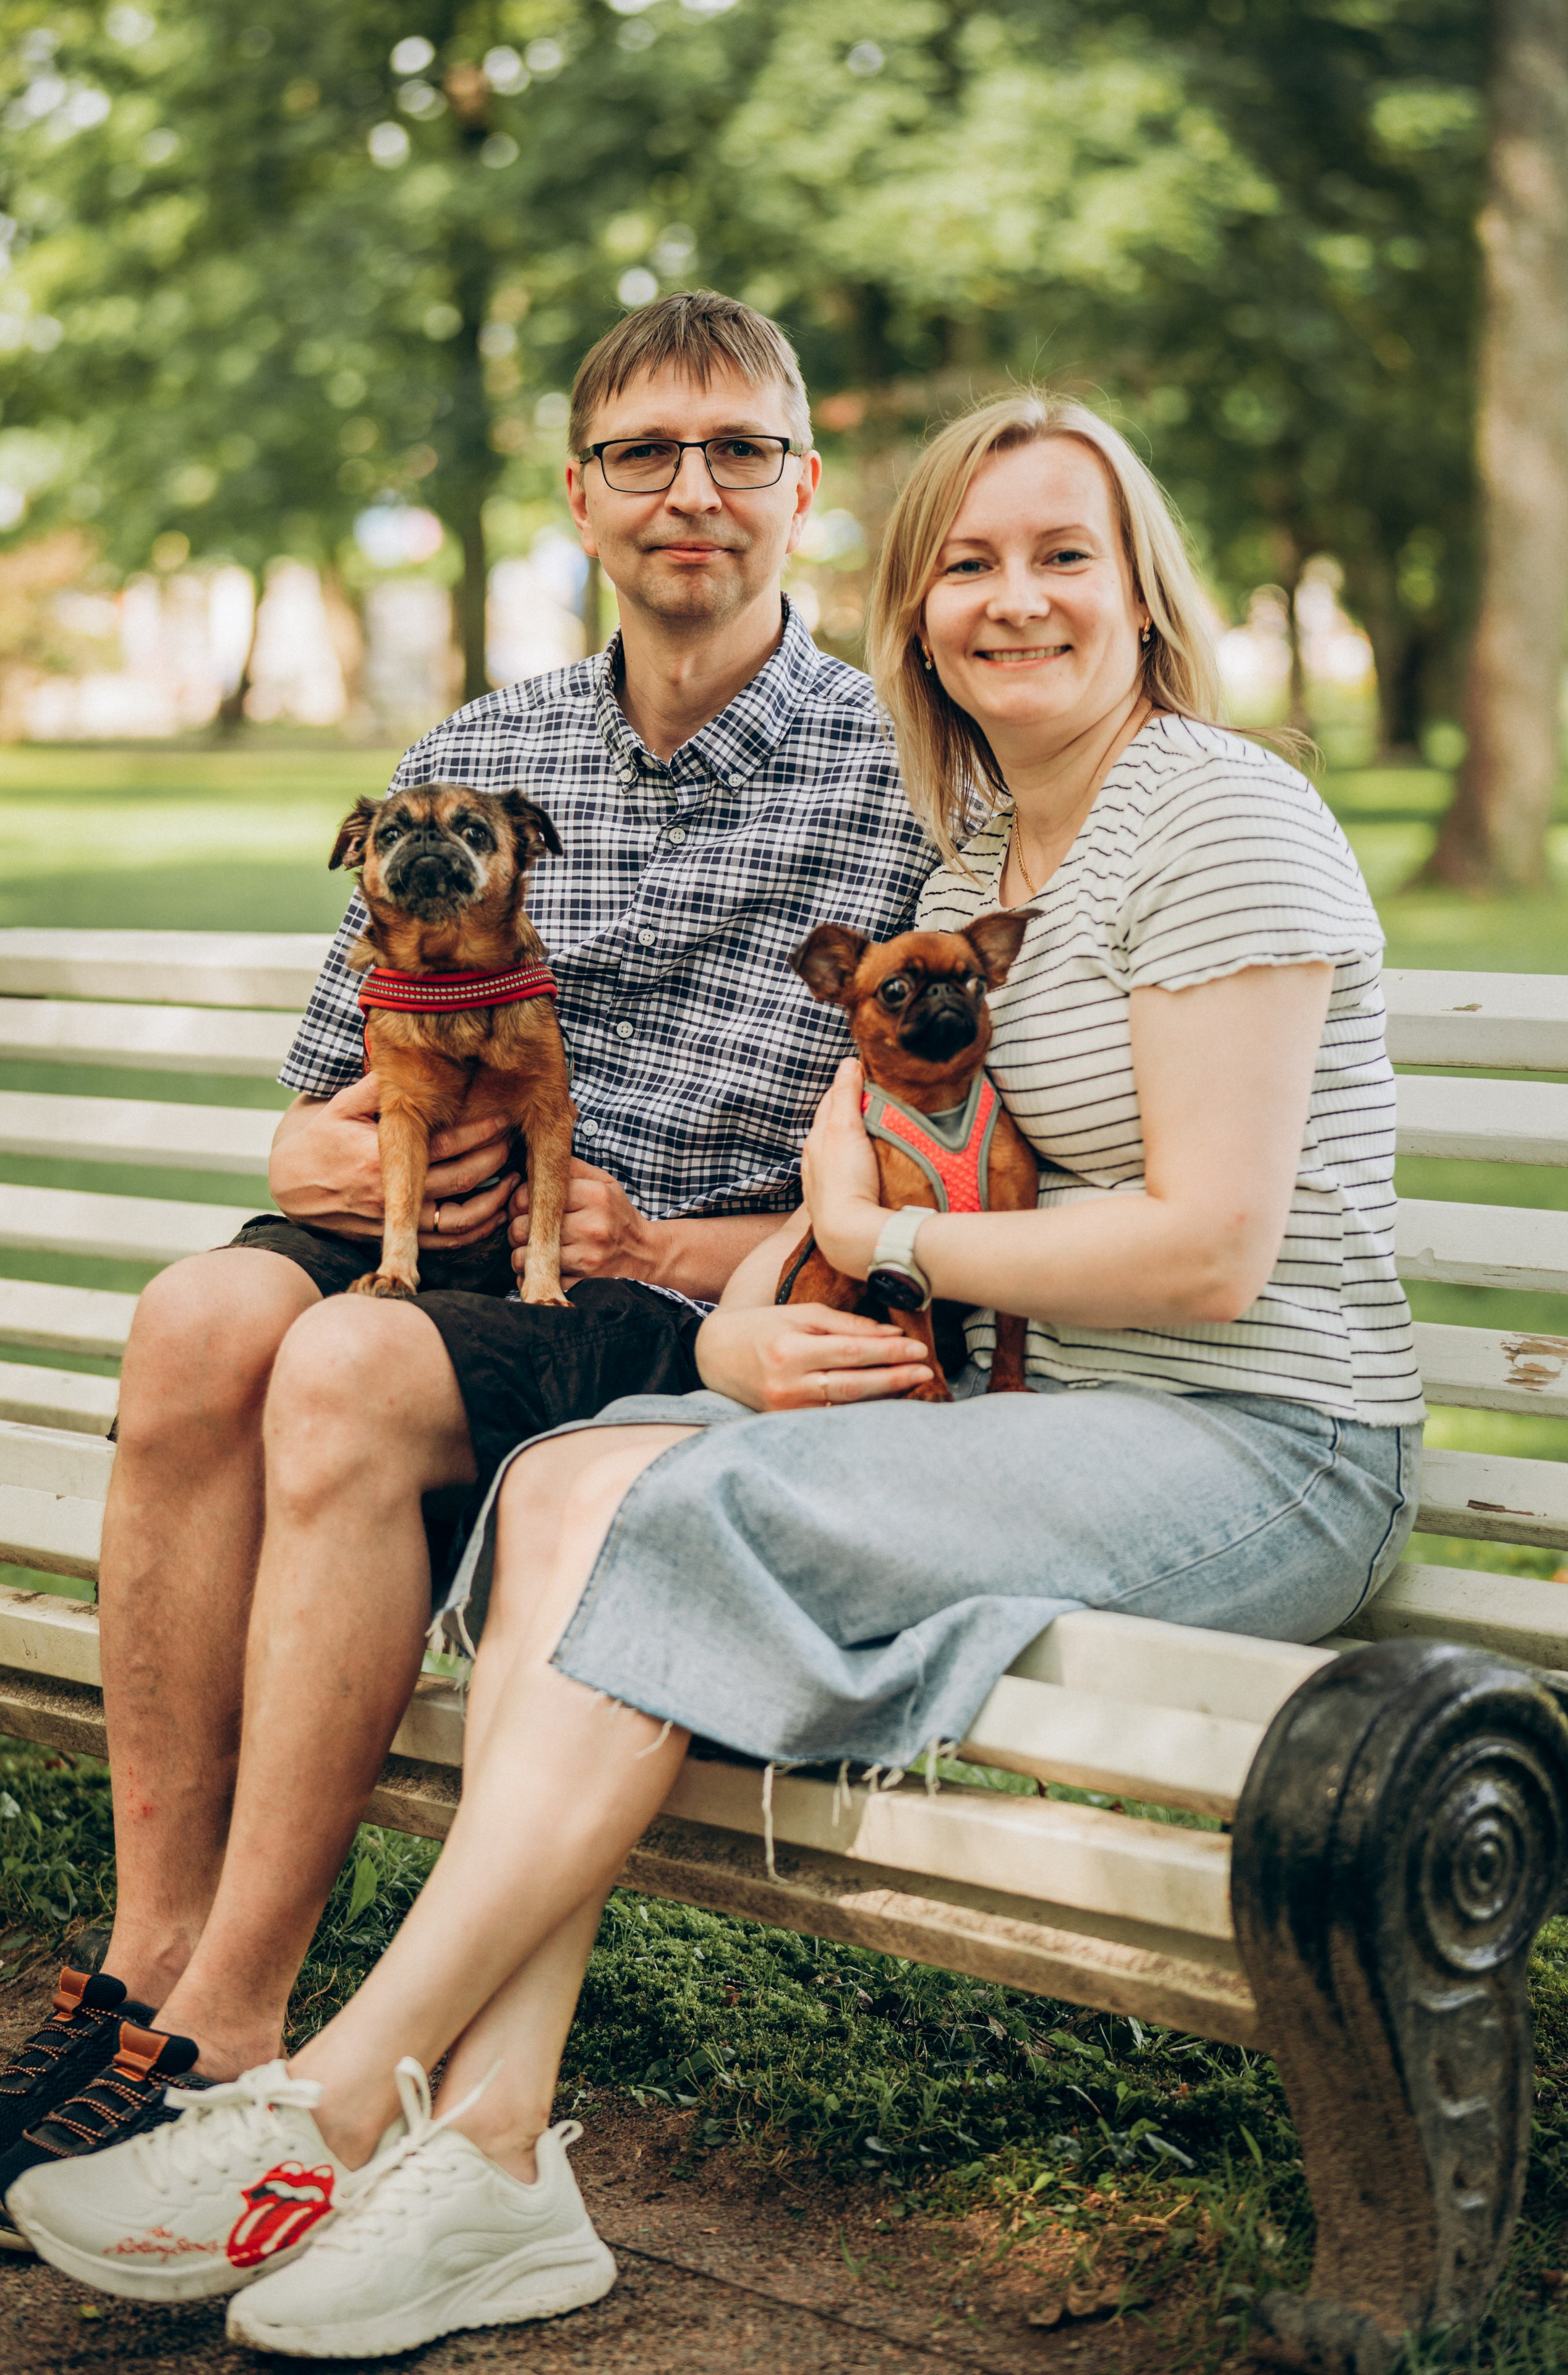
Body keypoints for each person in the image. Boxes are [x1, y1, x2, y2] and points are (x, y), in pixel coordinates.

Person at [6, 392, 1424, 2358]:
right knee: (579, 1480)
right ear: (917, 601)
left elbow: (1210, 1254)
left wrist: (862, 1251)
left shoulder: (1222, 813)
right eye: (971, 563)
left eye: (1062, 555)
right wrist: (762, 1297)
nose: (1014, 602)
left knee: (657, 1494)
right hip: (1044, 1406)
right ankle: (496, 2161)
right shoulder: (996, 827)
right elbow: (875, 1124)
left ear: (1144, 584)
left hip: (1266, 1441)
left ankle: (337, 2096)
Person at [0, 292, 934, 2199]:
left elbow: (917, 1175)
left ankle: (237, 2021)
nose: (694, 492)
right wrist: (318, 1167)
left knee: (343, 1367)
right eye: (644, 456)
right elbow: (306, 1088)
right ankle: (143, 1956)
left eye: (738, 449)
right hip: (419, 1212)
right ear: (580, 496)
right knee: (197, 1320)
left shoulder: (897, 768)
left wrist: (668, 1237)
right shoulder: (489, 741)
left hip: (653, 1290)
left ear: (804, 486)